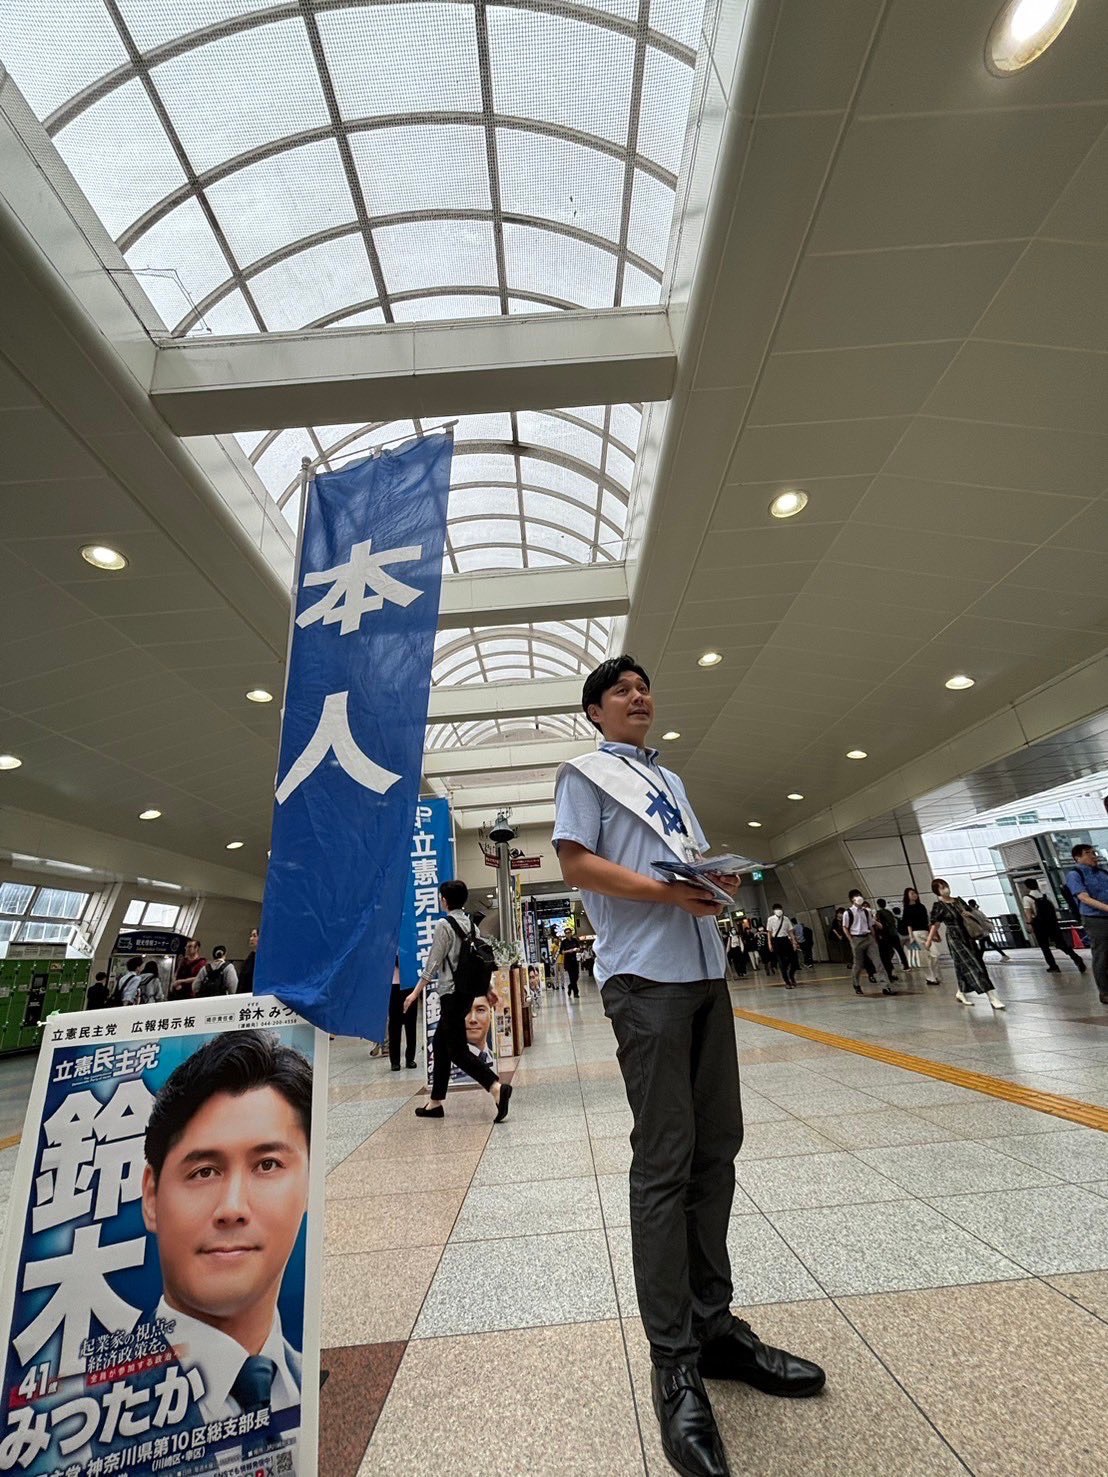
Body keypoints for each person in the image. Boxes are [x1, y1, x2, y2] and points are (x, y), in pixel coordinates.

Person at [553, 655, 824, 1477]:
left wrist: (709, 883)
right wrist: (670, 895)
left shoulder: (668, 778)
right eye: (621, 690)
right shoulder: (586, 773)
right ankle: (673, 1360)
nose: (640, 695)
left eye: (645, 687)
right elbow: (575, 863)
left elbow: (681, 868)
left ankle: (713, 1326)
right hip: (645, 978)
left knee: (719, 1146)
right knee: (666, 1158)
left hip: (704, 973)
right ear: (596, 711)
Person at [138, 1030, 309, 1437]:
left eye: (267, 1165)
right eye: (204, 1172)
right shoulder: (75, 1419)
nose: (232, 1208)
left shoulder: (306, 1382)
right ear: (151, 1197)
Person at [404, 879, 511, 1123]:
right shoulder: (472, 925)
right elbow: (477, 961)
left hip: (451, 994)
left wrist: (415, 992)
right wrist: (488, 988)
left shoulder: (444, 924)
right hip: (467, 994)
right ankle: (435, 1102)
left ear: (444, 899)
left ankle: (496, 1087)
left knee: (457, 1051)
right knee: (441, 1046)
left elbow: (433, 962)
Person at [925, 880, 1005, 1009]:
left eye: (946, 886)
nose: (946, 889)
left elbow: (970, 914)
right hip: (954, 938)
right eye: (942, 888)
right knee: (973, 965)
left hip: (968, 936)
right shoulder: (938, 906)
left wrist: (969, 913)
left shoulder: (958, 901)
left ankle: (960, 992)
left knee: (966, 965)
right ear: (937, 891)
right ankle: (992, 997)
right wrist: (929, 939)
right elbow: (936, 924)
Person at [1064, 844, 1108, 1005]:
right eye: (1088, 853)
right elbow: (1083, 897)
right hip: (1095, 918)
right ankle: (1105, 991)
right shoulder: (1075, 874)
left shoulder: (1103, 873)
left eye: (1094, 852)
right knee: (1102, 954)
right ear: (1078, 857)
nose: (1093, 856)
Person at [1022, 882, 1087, 976]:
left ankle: (1053, 966)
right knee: (1061, 944)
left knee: (1045, 947)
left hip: (1039, 925)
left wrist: (1029, 924)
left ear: (1027, 887)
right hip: (1052, 923)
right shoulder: (1045, 896)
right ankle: (1076, 958)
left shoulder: (1027, 898)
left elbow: (1028, 913)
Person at [843, 891, 893, 996]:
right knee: (858, 964)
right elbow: (845, 927)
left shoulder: (866, 912)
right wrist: (850, 939)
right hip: (856, 939)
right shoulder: (848, 912)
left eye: (860, 896)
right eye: (856, 896)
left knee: (878, 962)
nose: (859, 898)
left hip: (868, 938)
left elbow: (870, 925)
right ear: (852, 899)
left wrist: (874, 938)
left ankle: (886, 986)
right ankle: (856, 984)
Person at [902, 886, 941, 985]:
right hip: (916, 933)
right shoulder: (907, 909)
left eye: (915, 893)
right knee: (923, 957)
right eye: (912, 893)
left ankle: (934, 975)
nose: (915, 895)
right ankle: (930, 977)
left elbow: (928, 921)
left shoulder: (921, 906)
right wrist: (911, 936)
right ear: (907, 896)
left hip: (926, 933)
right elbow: (908, 924)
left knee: (935, 954)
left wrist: (933, 934)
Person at [388, 955, 417, 1070]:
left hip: (410, 983)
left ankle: (410, 1058)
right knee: (394, 1024)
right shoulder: (388, 940)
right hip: (393, 984)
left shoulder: (410, 939)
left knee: (411, 1022)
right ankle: (394, 1060)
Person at [766, 906, 799, 987]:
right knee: (781, 962)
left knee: (794, 961)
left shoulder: (786, 919)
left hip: (786, 940)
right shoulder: (770, 919)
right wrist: (769, 944)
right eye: (777, 909)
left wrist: (794, 942)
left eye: (780, 909)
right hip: (776, 941)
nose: (779, 911)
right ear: (773, 911)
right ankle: (787, 981)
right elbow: (769, 932)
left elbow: (790, 931)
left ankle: (791, 975)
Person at [874, 900, 907, 977]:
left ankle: (889, 968)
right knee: (900, 950)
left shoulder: (879, 913)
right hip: (894, 933)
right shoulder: (889, 912)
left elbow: (880, 925)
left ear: (878, 905)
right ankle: (905, 964)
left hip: (887, 935)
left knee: (887, 952)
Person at [561, 933, 581, 997]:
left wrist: (577, 949)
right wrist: (569, 951)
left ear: (571, 933)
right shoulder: (563, 942)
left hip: (574, 961)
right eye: (566, 933)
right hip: (568, 962)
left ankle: (570, 986)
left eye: (569, 933)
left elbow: (579, 948)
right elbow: (561, 952)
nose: (568, 934)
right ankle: (576, 993)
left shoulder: (575, 940)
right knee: (572, 977)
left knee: (576, 976)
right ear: (565, 934)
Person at [239, 926, 258, 993]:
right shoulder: (249, 958)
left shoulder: (262, 959)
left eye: (254, 936)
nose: (251, 938)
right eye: (251, 936)